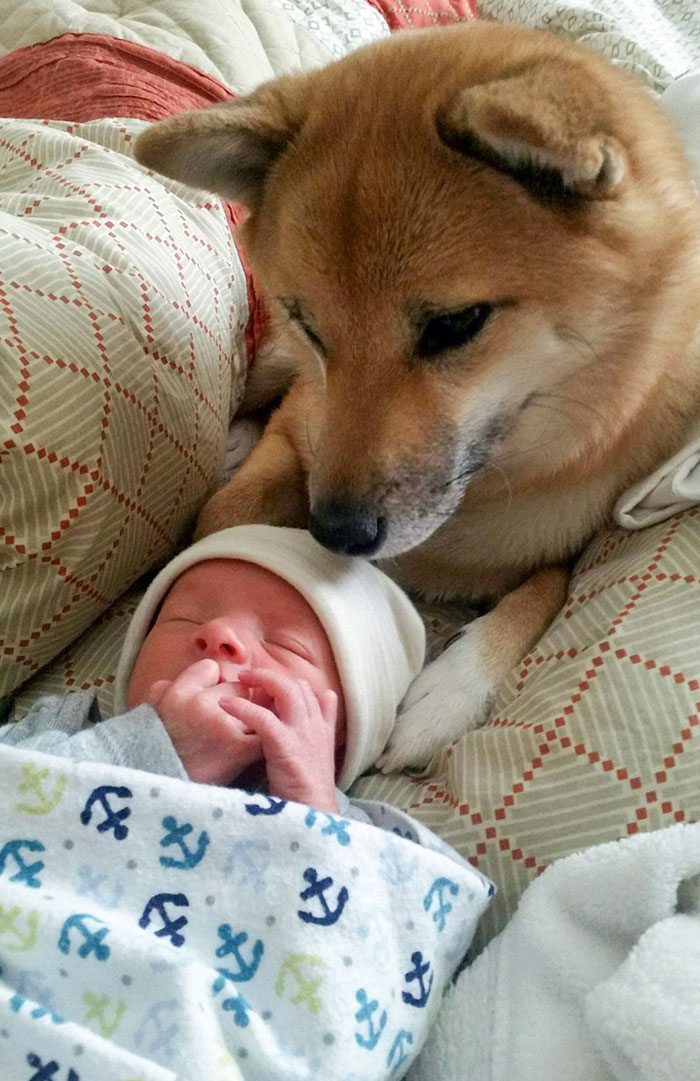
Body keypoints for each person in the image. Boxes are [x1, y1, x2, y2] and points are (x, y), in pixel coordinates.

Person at [1, 526, 494, 1081]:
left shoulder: (372, 847)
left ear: (345, 730)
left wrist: (312, 815)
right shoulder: (66, 737)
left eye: (287, 645)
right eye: (184, 620)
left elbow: (378, 998)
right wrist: (141, 751)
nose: (218, 635)